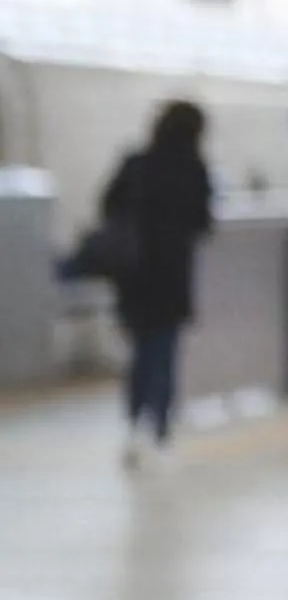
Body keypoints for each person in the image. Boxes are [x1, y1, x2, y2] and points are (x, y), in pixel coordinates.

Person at [100, 100, 214, 469]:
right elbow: (203, 222)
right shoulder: (193, 169)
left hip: (133, 277)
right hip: (170, 277)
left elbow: (106, 206)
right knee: (163, 355)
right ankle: (160, 432)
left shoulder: (136, 164)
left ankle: (133, 425)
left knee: (139, 355)